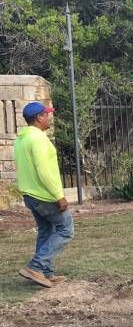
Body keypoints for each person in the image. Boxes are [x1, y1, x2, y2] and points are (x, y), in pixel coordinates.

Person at [13, 101, 73, 288]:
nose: (49, 117)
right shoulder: (38, 139)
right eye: (47, 114)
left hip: (30, 195)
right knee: (66, 230)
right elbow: (43, 170)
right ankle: (36, 266)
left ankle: (44, 273)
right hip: (44, 195)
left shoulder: (21, 139)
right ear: (39, 117)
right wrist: (59, 195)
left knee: (46, 231)